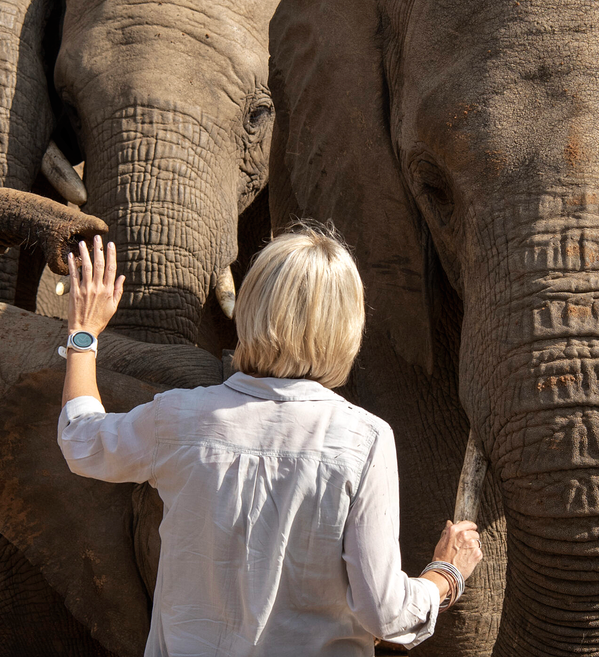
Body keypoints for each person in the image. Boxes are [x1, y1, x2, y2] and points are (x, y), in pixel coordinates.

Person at [56, 226, 482, 656]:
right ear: (349, 327)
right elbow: (385, 614)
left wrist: (84, 334)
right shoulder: (365, 440)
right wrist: (446, 575)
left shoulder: (176, 417)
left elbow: (80, 439)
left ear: (252, 307)